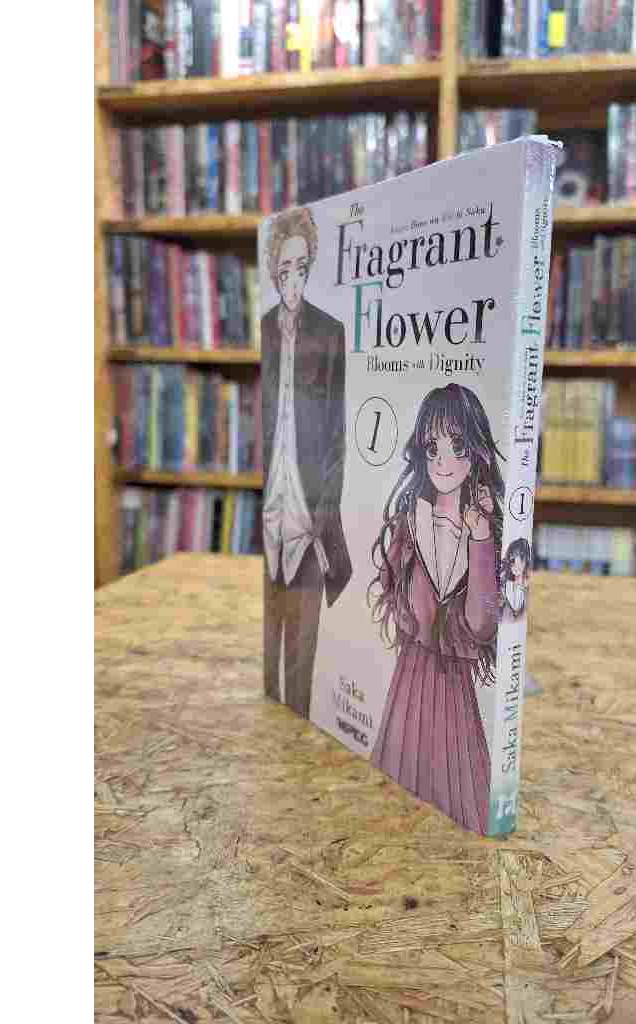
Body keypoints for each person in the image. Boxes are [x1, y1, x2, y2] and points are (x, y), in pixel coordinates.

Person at [367, 383, 505, 833]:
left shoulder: (482, 531)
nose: (444, 461)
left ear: (476, 450)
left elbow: (482, 625)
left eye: (457, 447)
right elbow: (392, 587)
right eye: (433, 448)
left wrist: (480, 539)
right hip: (411, 677)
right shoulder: (411, 520)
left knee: (463, 799)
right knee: (395, 790)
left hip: (454, 688)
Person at [262, 207, 351, 718]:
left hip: (309, 517)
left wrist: (322, 514)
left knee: (301, 669)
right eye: (283, 269)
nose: (292, 279)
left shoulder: (330, 331)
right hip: (270, 512)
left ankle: (296, 726)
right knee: (269, 655)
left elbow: (339, 436)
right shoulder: (265, 329)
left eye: (301, 267)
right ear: (273, 272)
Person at [500, 538, 531, 621]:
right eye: (512, 560)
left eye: (521, 559)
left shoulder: (527, 587)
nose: (516, 565)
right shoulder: (504, 585)